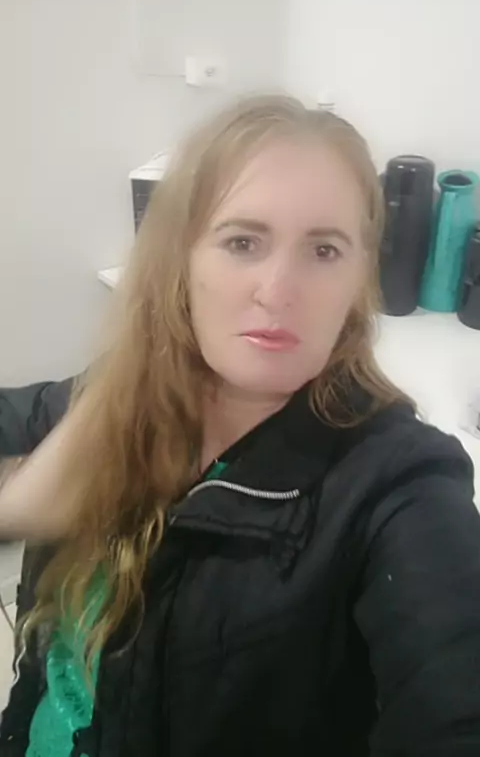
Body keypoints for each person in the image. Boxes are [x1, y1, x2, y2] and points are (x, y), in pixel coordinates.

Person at [0, 95, 479, 756]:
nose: (277, 290)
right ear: (183, 261)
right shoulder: (110, 398)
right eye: (242, 242)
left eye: (324, 250)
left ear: (358, 281)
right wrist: (18, 503)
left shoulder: (397, 483)